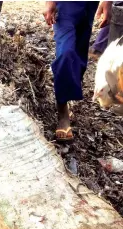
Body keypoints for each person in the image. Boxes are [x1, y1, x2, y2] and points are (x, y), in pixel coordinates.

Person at [43, 1, 112, 142]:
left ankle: (71, 88)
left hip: (89, 6)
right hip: (65, 5)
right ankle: (62, 110)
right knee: (65, 53)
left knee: (79, 56)